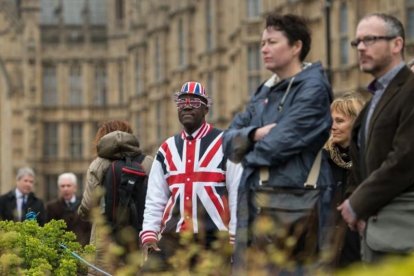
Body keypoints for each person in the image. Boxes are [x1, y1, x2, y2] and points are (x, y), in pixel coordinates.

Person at [222, 13, 333, 274]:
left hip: (295, 208)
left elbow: (276, 147)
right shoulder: (265, 90)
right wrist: (253, 135)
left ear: (296, 47)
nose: (264, 49)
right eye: (262, 43)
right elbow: (227, 141)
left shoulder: (313, 89)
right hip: (259, 208)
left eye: (272, 42)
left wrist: (245, 150)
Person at [139, 81, 242, 272]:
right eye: (181, 102)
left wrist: (235, 239)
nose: (186, 105)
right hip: (172, 238)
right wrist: (149, 234)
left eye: (194, 102)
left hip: (214, 239)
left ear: (205, 109)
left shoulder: (226, 143)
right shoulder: (166, 148)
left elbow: (237, 194)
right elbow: (155, 198)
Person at [338, 13, 414, 263]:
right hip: (375, 231)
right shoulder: (373, 101)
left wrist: (357, 203)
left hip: (402, 231)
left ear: (397, 44)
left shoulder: (410, 89)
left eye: (370, 39)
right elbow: (363, 163)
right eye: (357, 42)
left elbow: (404, 157)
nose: (361, 47)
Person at [78, 120, 153, 274]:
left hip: (104, 241)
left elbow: (88, 206)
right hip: (140, 239)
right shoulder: (148, 162)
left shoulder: (98, 164)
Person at [323, 95, 364, 269]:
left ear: (356, 123)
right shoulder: (321, 159)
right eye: (331, 121)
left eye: (339, 121)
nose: (333, 126)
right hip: (327, 246)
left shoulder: (368, 159)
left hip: (359, 243)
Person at [46, 172, 91, 246]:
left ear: (75, 188)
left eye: (68, 185)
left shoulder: (84, 206)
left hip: (81, 249)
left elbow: (88, 231)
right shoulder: (51, 207)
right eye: (62, 186)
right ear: (59, 188)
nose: (65, 189)